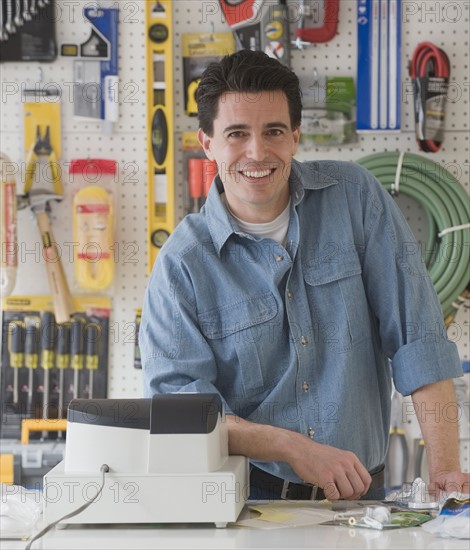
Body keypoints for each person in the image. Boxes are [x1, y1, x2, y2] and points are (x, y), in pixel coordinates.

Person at [140, 49, 469, 501]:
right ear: (207, 143)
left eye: (273, 131)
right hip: (248, 504)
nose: (257, 152)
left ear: (295, 135)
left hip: (360, 496)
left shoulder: (356, 199)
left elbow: (420, 342)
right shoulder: (182, 266)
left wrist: (446, 469)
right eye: (237, 134)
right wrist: (290, 446)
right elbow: (183, 411)